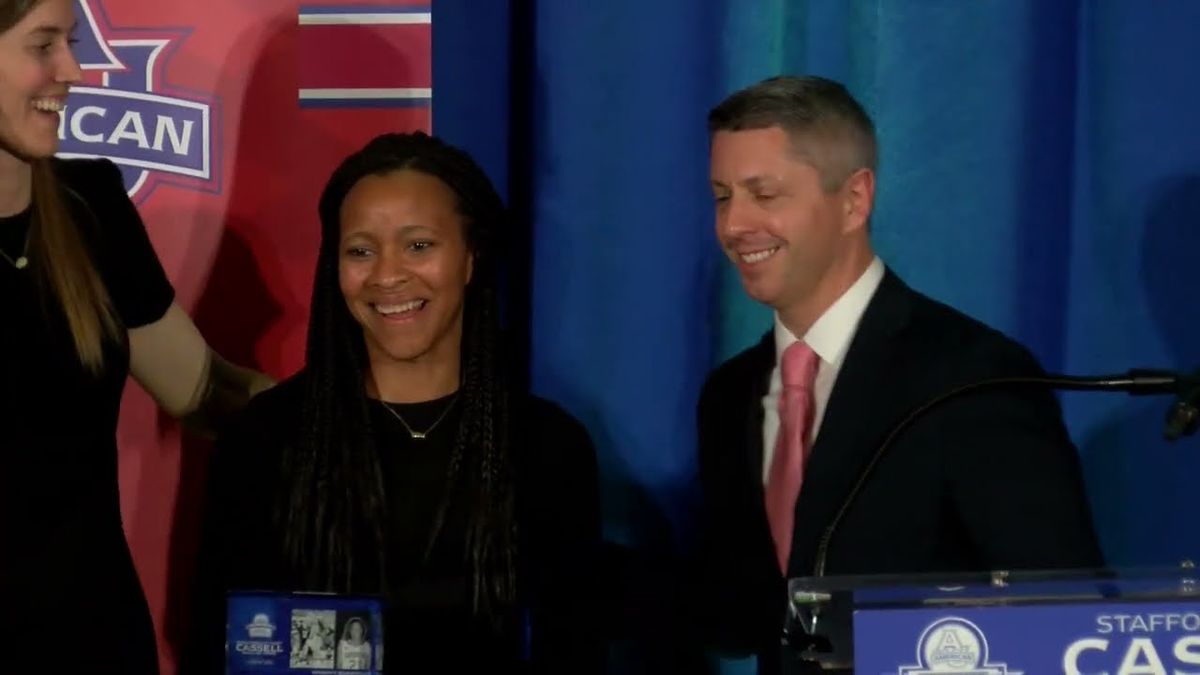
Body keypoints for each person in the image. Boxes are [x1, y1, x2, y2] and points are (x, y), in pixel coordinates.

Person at [695, 75, 1104, 673]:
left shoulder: (970, 378)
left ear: (855, 199)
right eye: (722, 195)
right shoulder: (730, 394)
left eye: (765, 194)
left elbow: (1067, 621)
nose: (734, 225)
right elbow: (737, 617)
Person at [185, 131, 604, 674]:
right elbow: (211, 644)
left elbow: (574, 647)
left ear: (471, 258)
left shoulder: (547, 446)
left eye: (419, 245)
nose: (387, 275)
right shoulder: (266, 440)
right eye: (360, 250)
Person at [0, 1, 272, 673]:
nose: (74, 70)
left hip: (93, 640)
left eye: (71, 42)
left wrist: (360, 411)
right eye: (44, 45)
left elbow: (204, 390)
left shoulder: (90, 207)